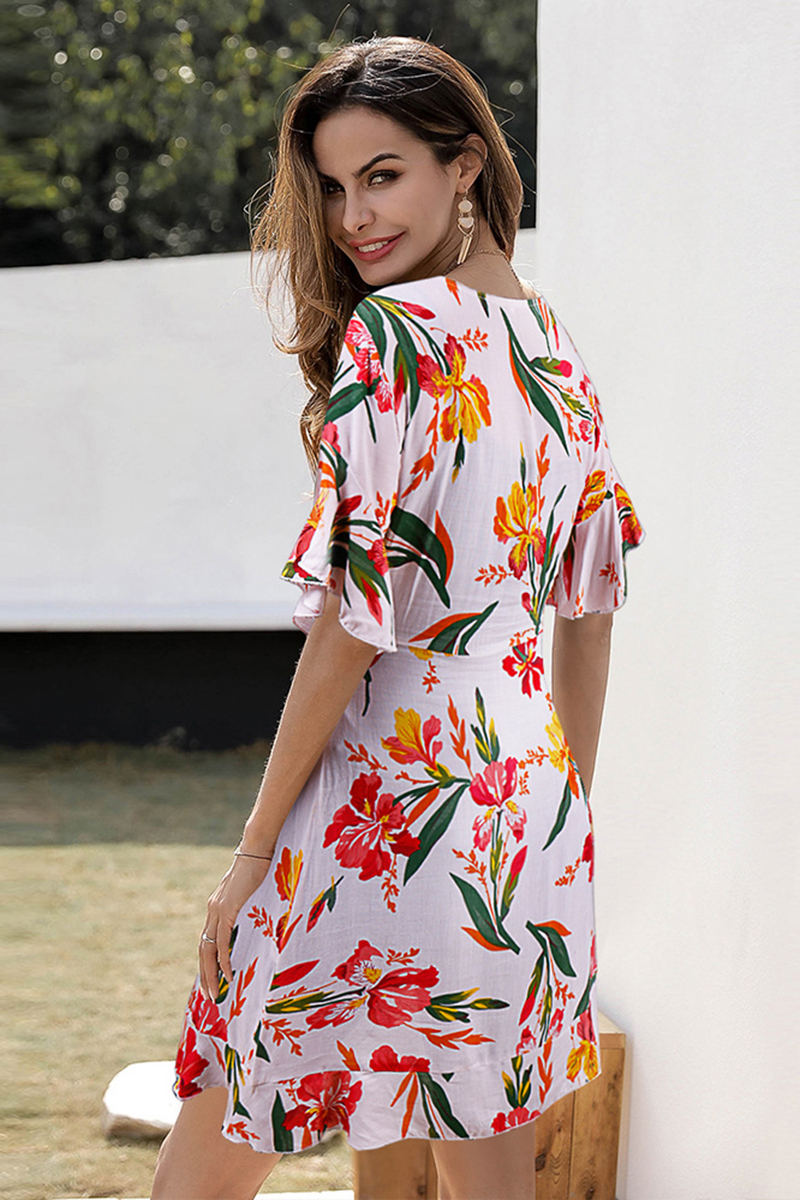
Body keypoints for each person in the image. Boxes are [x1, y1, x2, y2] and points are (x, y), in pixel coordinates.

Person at [151, 34, 644, 1200]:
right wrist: (562, 815)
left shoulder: (394, 334)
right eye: (331, 187)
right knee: (483, 1154)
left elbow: (355, 621)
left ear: (462, 163)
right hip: (520, 802)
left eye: (382, 176)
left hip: (386, 792)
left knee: (216, 1145)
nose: (352, 218)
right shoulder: (552, 344)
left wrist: (254, 849)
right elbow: (588, 613)